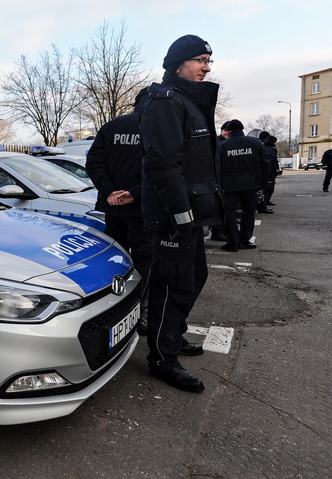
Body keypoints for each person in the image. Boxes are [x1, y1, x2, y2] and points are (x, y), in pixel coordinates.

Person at [139, 34, 222, 393]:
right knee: (172, 286)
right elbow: (162, 164)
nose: (206, 67)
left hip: (191, 214)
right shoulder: (166, 102)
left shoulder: (189, 101)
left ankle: (171, 335)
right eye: (200, 60)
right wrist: (181, 213)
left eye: (209, 61)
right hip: (174, 217)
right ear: (176, 64)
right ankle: (162, 357)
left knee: (194, 276)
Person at [86, 98, 151, 336]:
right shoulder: (155, 126)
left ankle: (111, 310)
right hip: (142, 209)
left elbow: (93, 163)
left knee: (114, 261)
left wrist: (109, 191)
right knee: (144, 263)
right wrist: (133, 194)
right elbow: (162, 169)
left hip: (113, 208)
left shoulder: (111, 126)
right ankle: (138, 313)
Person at [218, 120, 267, 252]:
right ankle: (244, 241)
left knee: (229, 214)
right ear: (242, 129)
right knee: (249, 213)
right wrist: (263, 183)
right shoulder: (255, 143)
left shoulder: (222, 146)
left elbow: (217, 167)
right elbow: (265, 163)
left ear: (228, 131)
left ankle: (232, 242)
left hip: (229, 187)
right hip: (251, 185)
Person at [256, 131, 275, 214]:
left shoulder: (258, 144)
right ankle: (262, 206)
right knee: (263, 190)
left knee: (262, 191)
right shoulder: (263, 146)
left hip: (258, 172)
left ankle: (262, 205)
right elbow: (267, 161)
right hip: (262, 172)